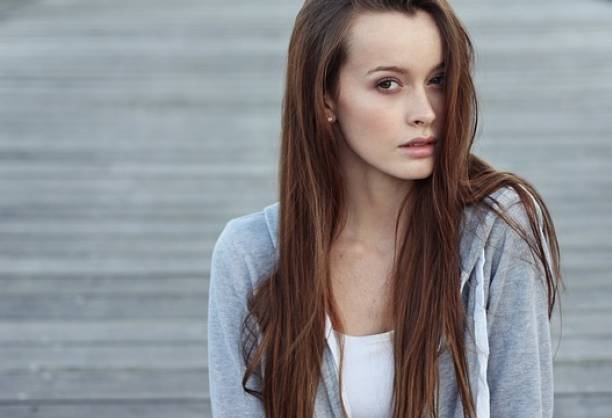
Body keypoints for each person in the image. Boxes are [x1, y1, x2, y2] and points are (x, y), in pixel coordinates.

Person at [208, 0, 563, 417]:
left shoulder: (498, 231)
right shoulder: (250, 255)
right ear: (325, 97)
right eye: (388, 84)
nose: (425, 112)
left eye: (437, 80)